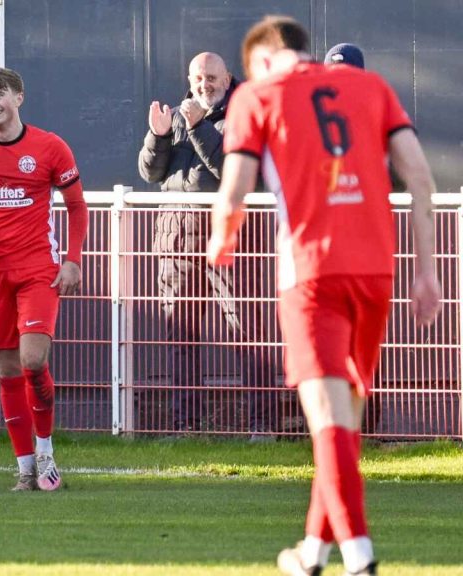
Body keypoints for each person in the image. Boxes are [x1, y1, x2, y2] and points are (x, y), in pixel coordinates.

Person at [208, 15, 441, 575]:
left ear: (261, 60)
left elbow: (234, 187)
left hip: (310, 274)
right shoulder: (374, 87)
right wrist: (427, 273)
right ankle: (311, 552)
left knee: (327, 424)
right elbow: (421, 180)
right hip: (376, 273)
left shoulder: (258, 95)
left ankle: (359, 557)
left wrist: (221, 236)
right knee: (342, 424)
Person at [0, 67, 89, 491]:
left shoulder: (49, 147)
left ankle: (46, 454)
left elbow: (77, 207)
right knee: (7, 371)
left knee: (32, 361)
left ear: (18, 97)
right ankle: (26, 468)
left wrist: (72, 259)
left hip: (37, 271)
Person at [138, 52, 276, 438]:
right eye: (199, 78)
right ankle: (187, 427)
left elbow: (236, 173)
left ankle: (262, 427)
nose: (205, 85)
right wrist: (159, 135)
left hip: (231, 234)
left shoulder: (247, 112)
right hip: (176, 236)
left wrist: (198, 127)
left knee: (247, 331)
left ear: (228, 77)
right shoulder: (179, 112)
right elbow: (151, 172)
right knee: (181, 334)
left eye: (212, 77)